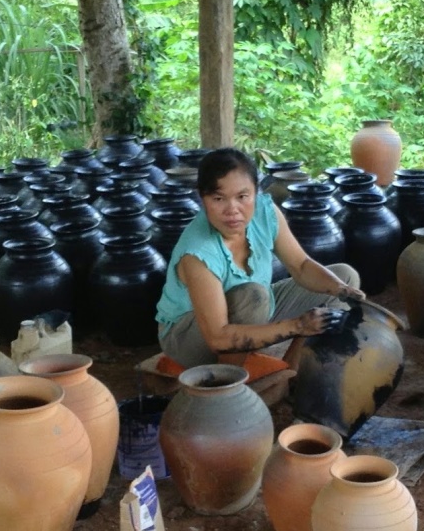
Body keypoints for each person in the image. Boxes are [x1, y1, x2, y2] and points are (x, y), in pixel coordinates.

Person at [155, 148, 364, 367]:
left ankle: (290, 371)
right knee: (254, 296)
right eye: (218, 198)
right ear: (202, 197)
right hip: (192, 336)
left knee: (344, 278)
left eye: (242, 196)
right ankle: (230, 386)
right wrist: (297, 326)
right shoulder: (198, 252)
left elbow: (301, 266)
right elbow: (218, 338)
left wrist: (342, 289)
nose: (232, 209)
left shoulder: (265, 212)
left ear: (256, 192)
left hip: (252, 312)